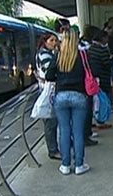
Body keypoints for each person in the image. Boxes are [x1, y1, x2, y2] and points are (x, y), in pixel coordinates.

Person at [46, 29, 91, 175]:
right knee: (78, 132)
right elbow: (91, 72)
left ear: (63, 40)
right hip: (79, 96)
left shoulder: (58, 56)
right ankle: (79, 165)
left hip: (61, 97)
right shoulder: (82, 55)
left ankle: (65, 165)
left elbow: (49, 76)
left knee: (64, 130)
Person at [35, 33, 61, 160]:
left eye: (55, 40)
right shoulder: (45, 55)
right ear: (44, 42)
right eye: (51, 40)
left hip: (48, 90)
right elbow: (49, 73)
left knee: (52, 121)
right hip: (48, 91)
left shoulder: (46, 53)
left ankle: (54, 148)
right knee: (50, 121)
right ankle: (53, 150)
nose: (54, 42)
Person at [78, 25, 99, 146]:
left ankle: (85, 134)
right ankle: (86, 135)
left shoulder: (80, 45)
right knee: (87, 109)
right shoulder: (88, 48)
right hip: (87, 82)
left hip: (81, 83)